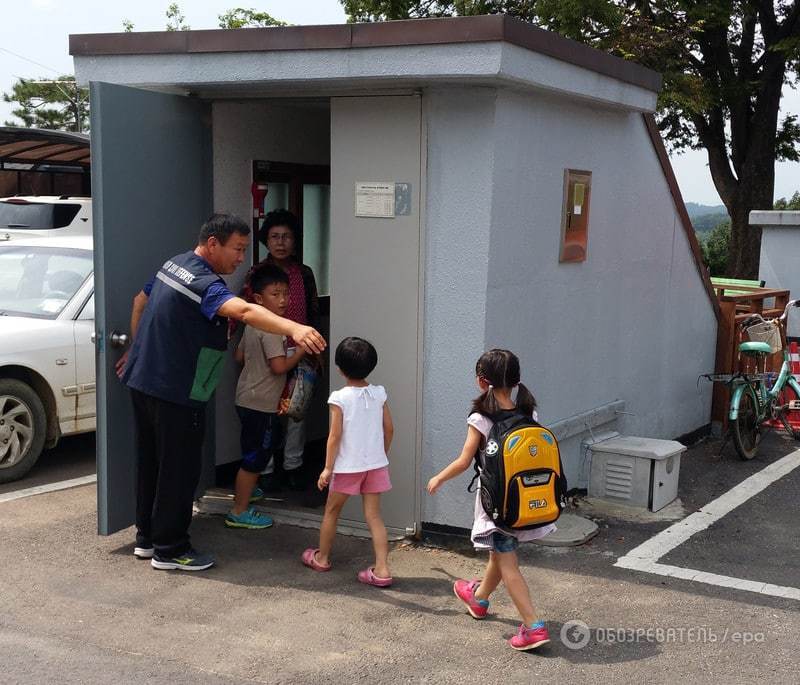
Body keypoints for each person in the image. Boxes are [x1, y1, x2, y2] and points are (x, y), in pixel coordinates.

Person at [117, 213, 326, 572]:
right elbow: (243, 310)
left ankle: (148, 539)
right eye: (238, 249)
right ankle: (171, 549)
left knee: (151, 462)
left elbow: (140, 300)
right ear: (212, 244)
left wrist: (137, 351)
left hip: (144, 381)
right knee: (179, 470)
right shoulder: (203, 282)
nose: (241, 258)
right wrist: (295, 326)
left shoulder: (174, 265)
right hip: (176, 390)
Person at [426, 349, 554, 651]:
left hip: (496, 503)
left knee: (507, 562)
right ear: (516, 379)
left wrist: (439, 478)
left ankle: (533, 626)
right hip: (524, 499)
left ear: (482, 381)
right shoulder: (529, 412)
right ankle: (479, 599)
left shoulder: (482, 417)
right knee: (499, 553)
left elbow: (464, 460)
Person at [301, 337, 394, 586]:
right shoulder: (379, 393)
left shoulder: (339, 398)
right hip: (375, 465)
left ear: (340, 368)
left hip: (347, 467)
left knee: (332, 511)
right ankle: (383, 569)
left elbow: (334, 436)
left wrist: (328, 468)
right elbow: (389, 429)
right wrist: (380, 454)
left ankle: (321, 558)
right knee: (374, 516)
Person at [227, 264, 307, 529]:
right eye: (275, 294)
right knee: (256, 457)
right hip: (262, 404)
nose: (283, 300)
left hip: (245, 398)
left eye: (286, 293)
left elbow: (239, 356)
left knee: (252, 449)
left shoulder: (252, 323)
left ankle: (247, 491)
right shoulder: (273, 329)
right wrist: (301, 350)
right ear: (259, 299)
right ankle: (239, 511)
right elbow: (279, 367)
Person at [246, 209, 320, 491]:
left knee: (296, 413)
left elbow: (313, 312)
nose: (281, 242)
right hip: (268, 353)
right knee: (266, 413)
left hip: (301, 351)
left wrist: (316, 350)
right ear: (266, 240)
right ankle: (265, 471)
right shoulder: (257, 274)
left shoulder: (304, 273)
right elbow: (247, 312)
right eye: (275, 236)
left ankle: (294, 466)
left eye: (286, 237)